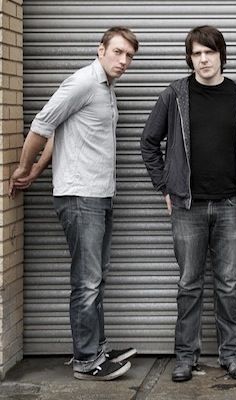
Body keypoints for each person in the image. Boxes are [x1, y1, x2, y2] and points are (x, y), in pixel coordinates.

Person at [9, 27, 139, 381]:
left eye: (129, 56)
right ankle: (86, 360)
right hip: (81, 197)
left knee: (95, 278)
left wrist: (37, 169)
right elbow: (43, 123)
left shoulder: (107, 89)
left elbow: (62, 132)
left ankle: (94, 347)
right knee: (87, 280)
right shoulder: (82, 82)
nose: (124, 61)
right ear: (101, 50)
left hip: (100, 195)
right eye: (118, 52)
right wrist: (24, 166)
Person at [140, 25, 236, 383]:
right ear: (190, 58)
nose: (203, 59)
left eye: (209, 52)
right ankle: (185, 357)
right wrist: (165, 186)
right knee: (189, 284)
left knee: (229, 285)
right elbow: (148, 143)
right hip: (187, 207)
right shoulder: (175, 94)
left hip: (229, 206)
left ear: (221, 54)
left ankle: (231, 355)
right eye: (196, 53)